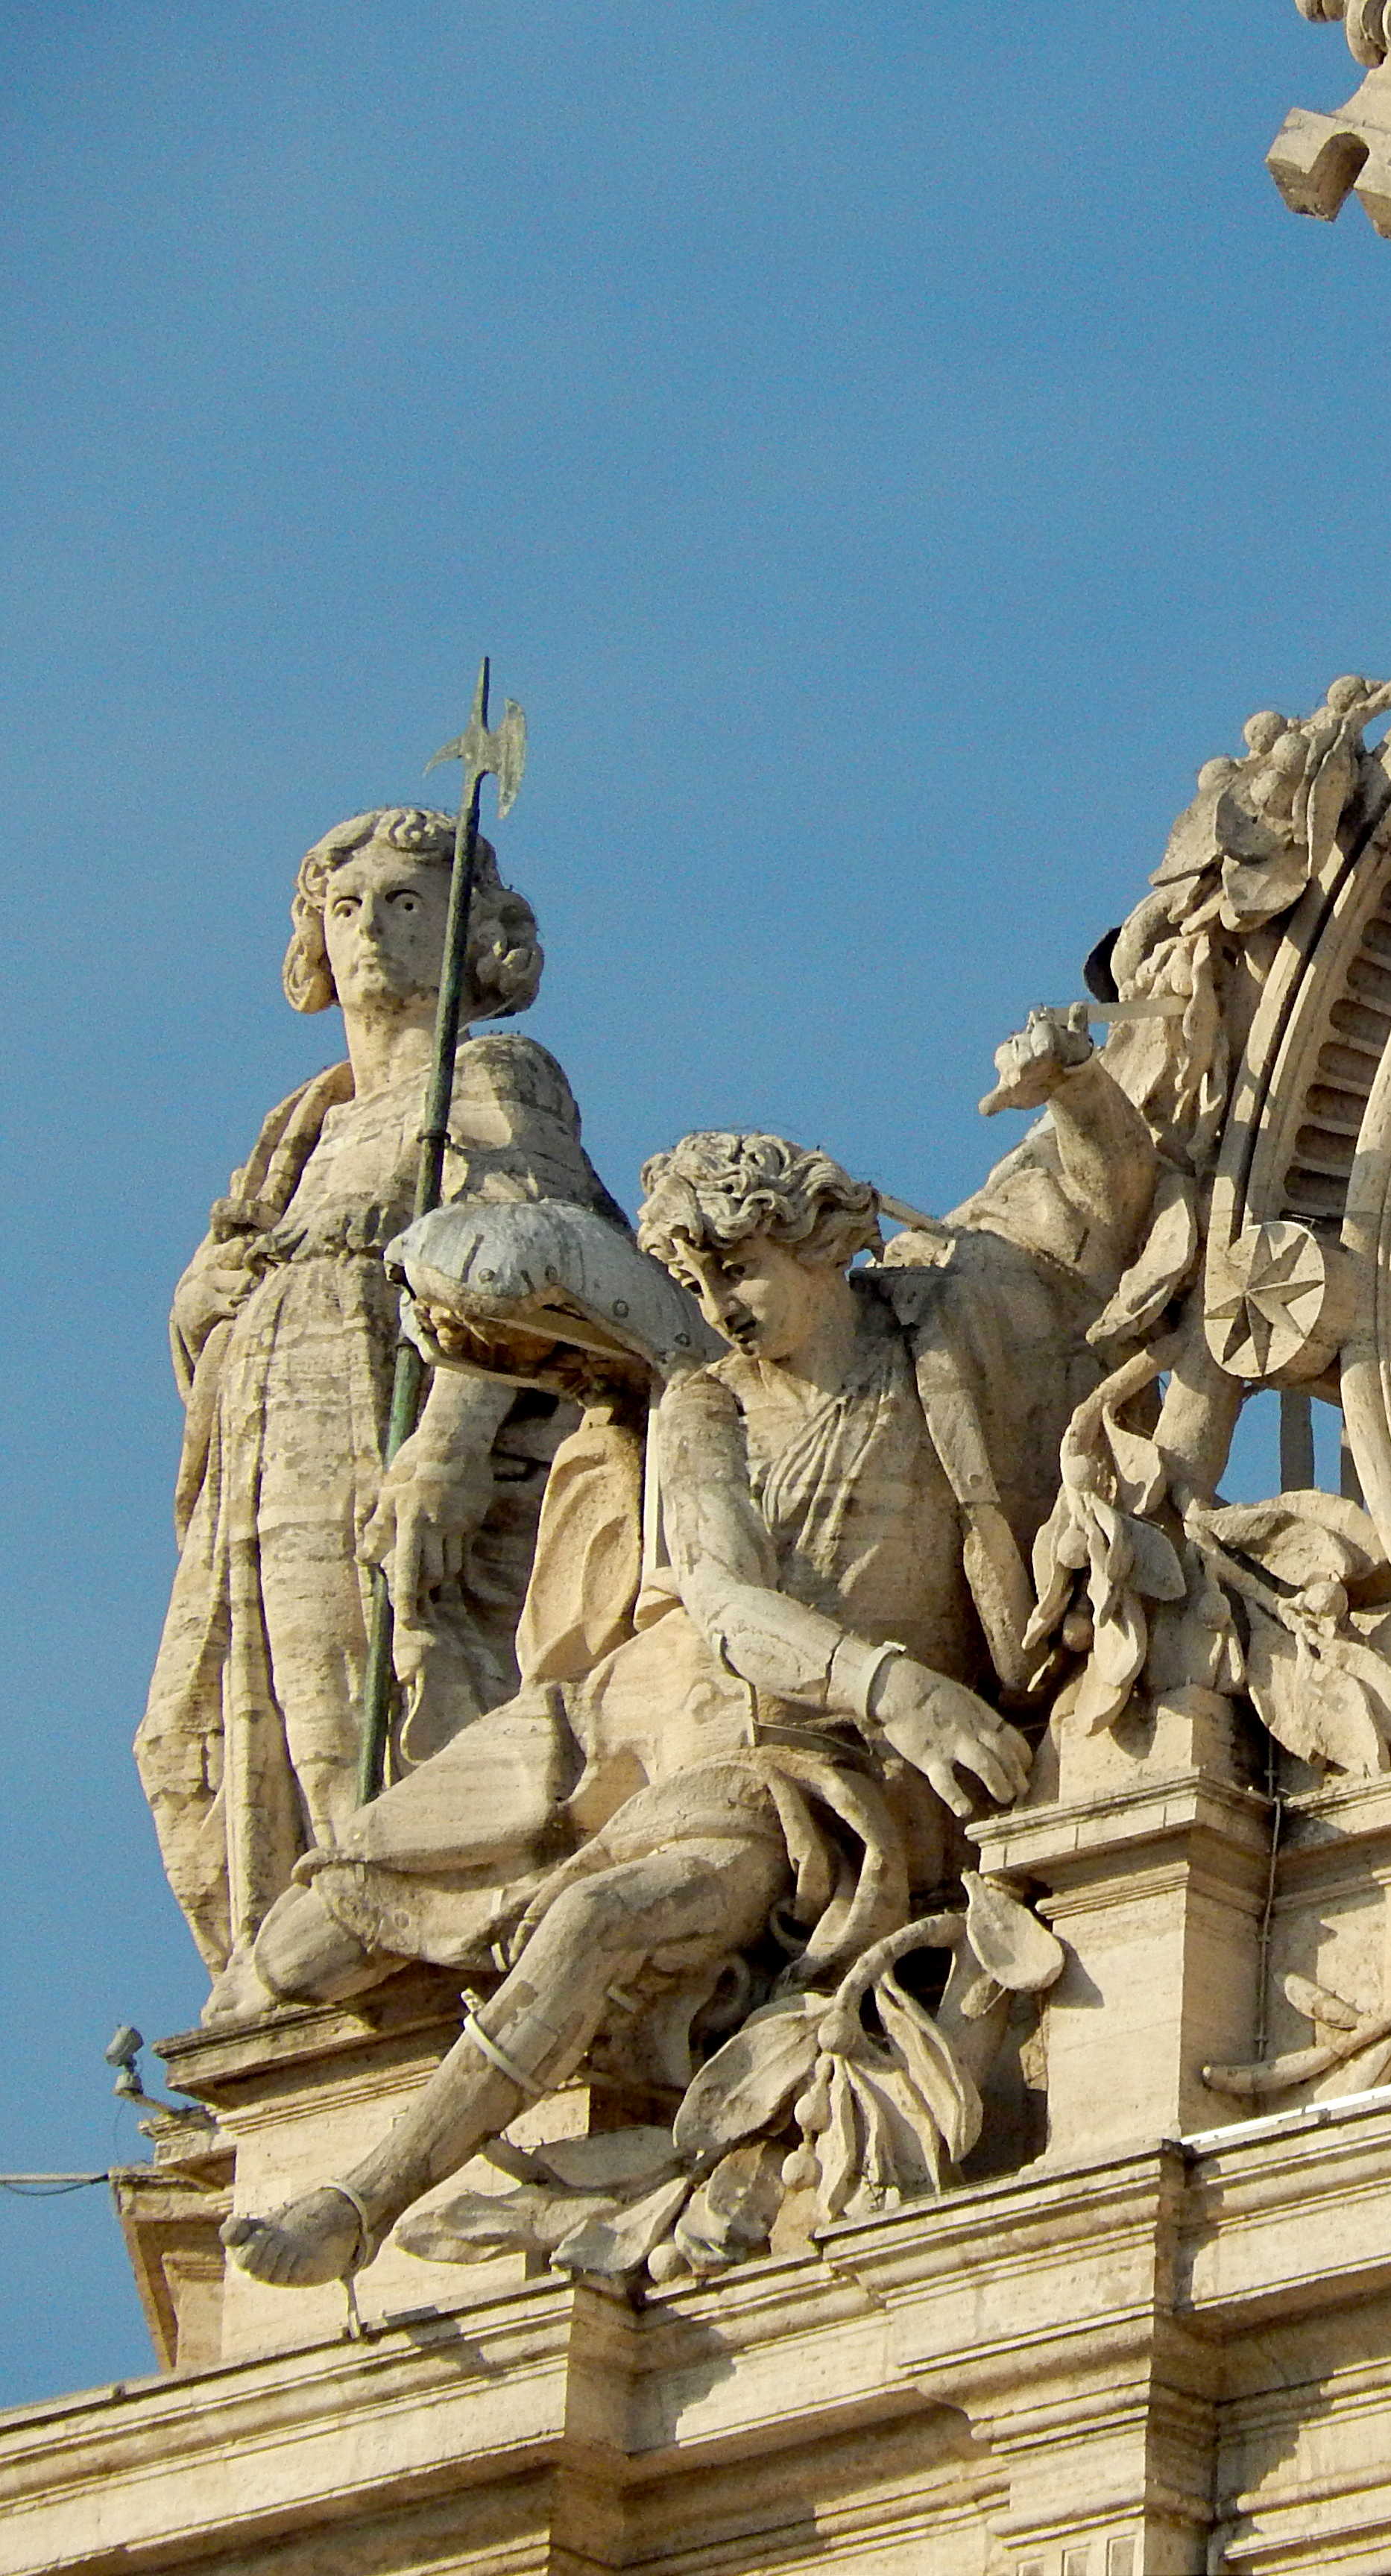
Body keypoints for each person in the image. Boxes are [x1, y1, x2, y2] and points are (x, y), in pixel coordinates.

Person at [221, 1012, 1155, 2288]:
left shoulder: (952, 1325)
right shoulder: (706, 1403)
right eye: (695, 1280)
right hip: (693, 1731)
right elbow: (720, 1598)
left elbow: (1100, 1211)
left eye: (742, 1271)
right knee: (299, 1946)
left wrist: (1080, 1086)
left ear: (825, 1238)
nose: (719, 1306)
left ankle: (364, 2199)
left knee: (604, 1915)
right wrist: (898, 1686)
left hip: (823, 1784)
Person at [140, 809, 616, 2008]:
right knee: (191, 1734)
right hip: (266, 1444)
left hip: (378, 1424)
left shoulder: (494, 1076)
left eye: (407, 904)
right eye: (346, 909)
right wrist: (208, 1296)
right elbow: (214, 1297)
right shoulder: (298, 1128)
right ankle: (280, 1960)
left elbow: (535, 1251)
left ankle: (384, 1966)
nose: (371, 932)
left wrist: (450, 1446)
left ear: (473, 940)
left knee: (365, 1685)